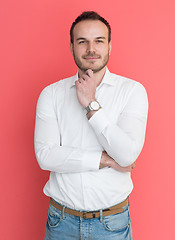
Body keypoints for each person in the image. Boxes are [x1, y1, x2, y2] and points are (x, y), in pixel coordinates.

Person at [34, 11, 148, 240]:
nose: (91, 49)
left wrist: (91, 105)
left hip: (112, 224)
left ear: (109, 46)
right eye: (82, 41)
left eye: (99, 40)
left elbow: (126, 156)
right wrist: (104, 160)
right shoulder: (51, 94)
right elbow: (46, 156)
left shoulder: (132, 92)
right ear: (71, 47)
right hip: (61, 223)